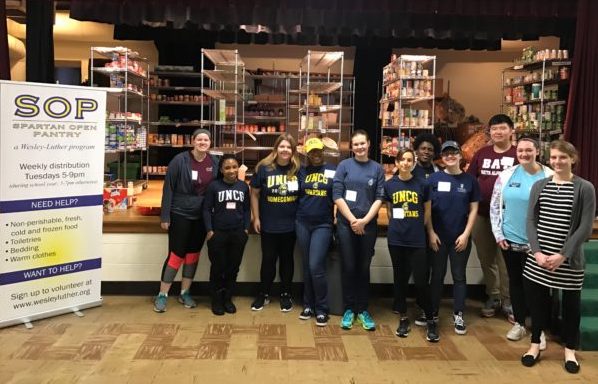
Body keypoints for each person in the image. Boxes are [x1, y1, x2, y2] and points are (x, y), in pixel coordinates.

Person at [521, 140, 595, 374]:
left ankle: (570, 350)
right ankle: (534, 345)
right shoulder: (540, 185)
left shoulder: (585, 187)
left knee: (572, 306)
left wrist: (563, 254)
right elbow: (531, 220)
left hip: (568, 260)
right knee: (537, 304)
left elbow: (585, 226)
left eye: (562, 157)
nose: (557, 162)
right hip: (539, 259)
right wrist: (537, 252)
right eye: (553, 157)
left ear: (573, 159)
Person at [490, 137, 553, 342]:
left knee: (538, 286)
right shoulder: (507, 175)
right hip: (510, 239)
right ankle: (519, 323)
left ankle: (539, 329)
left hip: (539, 243)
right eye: (521, 151)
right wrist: (498, 234)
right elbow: (495, 206)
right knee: (515, 283)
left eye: (529, 150)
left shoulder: (550, 175)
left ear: (537, 152)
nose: (524, 154)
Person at [154, 128, 219, 312]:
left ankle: (185, 292)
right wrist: (165, 215)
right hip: (180, 213)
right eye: (199, 139)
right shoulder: (179, 160)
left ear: (210, 143)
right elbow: (168, 188)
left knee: (193, 255)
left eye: (206, 140)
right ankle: (162, 294)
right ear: (193, 141)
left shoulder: (214, 161)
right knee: (176, 254)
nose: (202, 142)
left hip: (202, 216)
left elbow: (219, 187)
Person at [333, 129, 385, 331]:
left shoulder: (377, 168)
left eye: (363, 143)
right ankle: (348, 309)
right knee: (349, 267)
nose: (360, 147)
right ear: (351, 147)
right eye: (356, 144)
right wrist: (354, 220)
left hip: (368, 226)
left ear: (369, 144)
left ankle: (362, 309)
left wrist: (364, 221)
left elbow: (379, 198)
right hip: (346, 224)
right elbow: (337, 195)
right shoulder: (344, 166)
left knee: (363, 268)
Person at [467, 114, 518, 319]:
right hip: (481, 214)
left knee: (506, 259)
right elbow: (470, 180)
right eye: (494, 129)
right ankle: (493, 295)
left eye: (502, 128)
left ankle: (508, 299)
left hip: (508, 216)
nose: (498, 132)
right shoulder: (482, 153)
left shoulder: (518, 154)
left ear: (511, 131)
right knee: (486, 257)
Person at [384, 148, 437, 342]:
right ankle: (403, 317)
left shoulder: (422, 184)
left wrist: (417, 227)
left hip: (416, 240)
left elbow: (427, 211)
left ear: (413, 163)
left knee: (422, 281)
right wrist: (400, 227)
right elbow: (389, 212)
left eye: (409, 160)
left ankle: (431, 319)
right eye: (402, 160)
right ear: (397, 163)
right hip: (396, 240)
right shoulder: (390, 185)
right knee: (400, 279)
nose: (406, 163)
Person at [428, 141, 480, 336]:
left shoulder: (470, 181)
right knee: (437, 276)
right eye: (446, 154)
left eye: (454, 153)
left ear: (460, 156)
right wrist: (431, 233)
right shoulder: (433, 179)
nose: (450, 157)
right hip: (438, 238)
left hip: (460, 238)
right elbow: (427, 209)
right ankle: (432, 312)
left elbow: (474, 208)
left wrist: (466, 234)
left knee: (459, 276)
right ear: (442, 157)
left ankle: (459, 313)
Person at [250, 133, 301, 312]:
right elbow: (254, 193)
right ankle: (263, 293)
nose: (285, 150)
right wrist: (256, 217)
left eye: (289, 147)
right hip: (269, 224)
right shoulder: (264, 168)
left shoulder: (298, 169)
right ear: (276, 148)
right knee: (268, 260)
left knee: (287, 260)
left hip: (291, 225)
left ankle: (286, 294)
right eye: (282, 146)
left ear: (293, 151)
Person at [203, 154, 251, 315]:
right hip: (218, 234)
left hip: (238, 233)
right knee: (218, 268)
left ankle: (228, 299)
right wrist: (209, 230)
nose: (232, 170)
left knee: (233, 268)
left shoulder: (243, 187)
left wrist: (245, 228)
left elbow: (246, 209)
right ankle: (216, 300)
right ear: (221, 170)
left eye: (234, 167)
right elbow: (206, 209)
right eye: (227, 167)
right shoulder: (214, 186)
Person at [296, 137, 336, 327]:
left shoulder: (332, 171)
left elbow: (338, 196)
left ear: (323, 151)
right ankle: (308, 305)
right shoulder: (301, 171)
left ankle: (322, 308)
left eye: (318, 151)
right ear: (307, 154)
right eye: (312, 152)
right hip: (302, 222)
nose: (316, 155)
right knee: (306, 265)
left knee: (315, 266)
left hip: (323, 224)